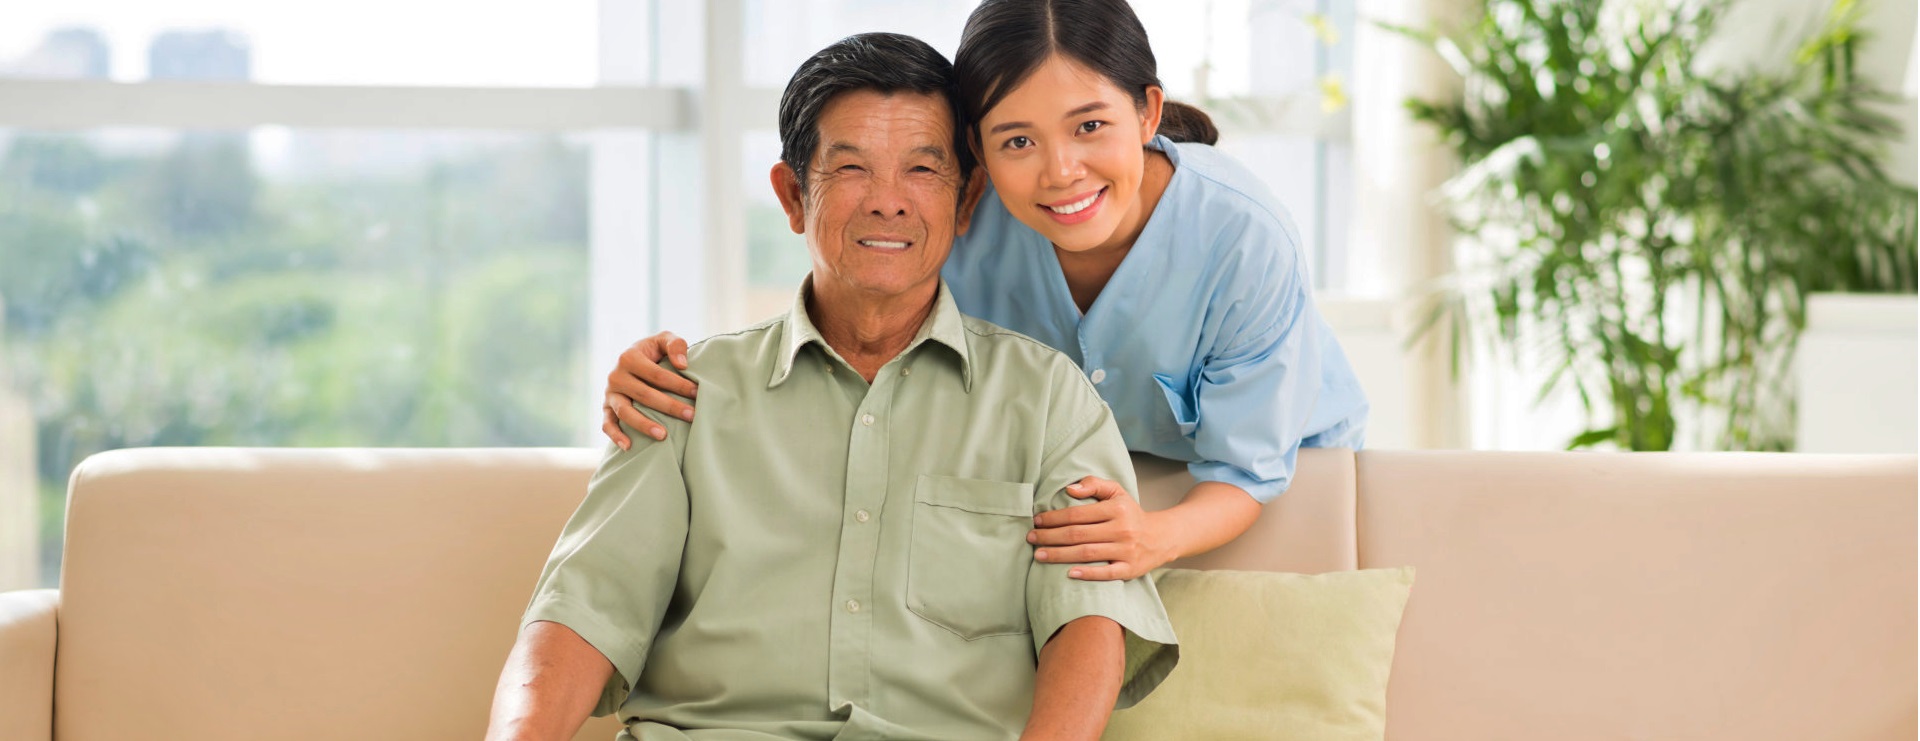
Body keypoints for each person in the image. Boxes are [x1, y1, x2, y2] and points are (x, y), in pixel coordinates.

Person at [485, 33, 1176, 741]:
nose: (888, 202)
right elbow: (578, 617)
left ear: (966, 198)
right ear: (792, 196)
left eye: (921, 170)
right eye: (851, 168)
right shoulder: (679, 393)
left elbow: (1089, 625)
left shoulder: (1048, 399)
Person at [600, 0, 1370, 582]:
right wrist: (679, 374)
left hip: (1257, 482)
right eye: (1018, 142)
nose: (1060, 171)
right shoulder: (965, 219)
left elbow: (1246, 468)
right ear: (977, 151)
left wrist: (1155, 535)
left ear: (1148, 111)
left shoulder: (1242, 236)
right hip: (1076, 483)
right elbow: (860, 321)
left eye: (1091, 126)